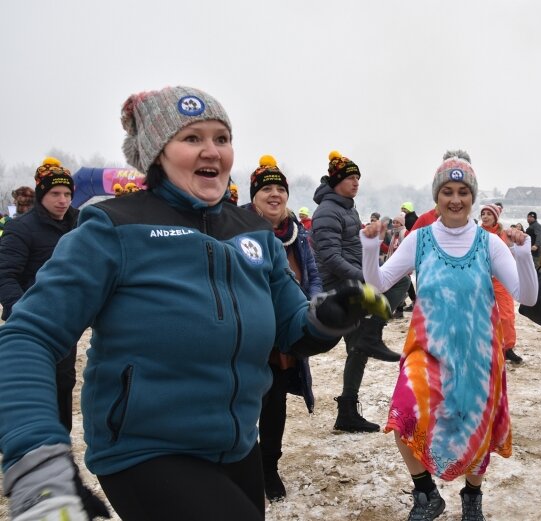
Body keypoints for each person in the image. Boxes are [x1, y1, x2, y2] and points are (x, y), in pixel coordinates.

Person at [0, 86, 388, 521]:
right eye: (192, 138)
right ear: (156, 153)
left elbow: (291, 327)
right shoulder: (113, 227)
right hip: (146, 450)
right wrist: (36, 461)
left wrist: (327, 316)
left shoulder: (253, 232)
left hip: (237, 446)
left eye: (222, 138)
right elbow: (27, 337)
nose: (213, 151)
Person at [361, 150, 538, 520]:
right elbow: (377, 284)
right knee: (403, 416)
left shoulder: (489, 243)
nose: (455, 199)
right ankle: (425, 493)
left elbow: (528, 296)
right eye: (447, 191)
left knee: (476, 431)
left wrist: (524, 255)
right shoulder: (420, 239)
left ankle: (472, 496)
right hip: (426, 353)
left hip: (479, 356)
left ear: (473, 197)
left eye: (463, 191)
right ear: (436, 197)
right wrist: (368, 248)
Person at [311, 151, 411, 433]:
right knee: (399, 283)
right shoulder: (328, 211)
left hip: (352, 281)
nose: (356, 182)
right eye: (350, 177)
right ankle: (372, 330)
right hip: (338, 288)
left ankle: (347, 411)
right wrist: (366, 278)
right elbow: (330, 258)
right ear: (337, 181)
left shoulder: (347, 208)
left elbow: (352, 248)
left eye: (358, 177)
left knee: (358, 350)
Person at [243, 154, 322, 501]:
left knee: (274, 403)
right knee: (244, 401)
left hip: (286, 334)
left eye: (280, 189)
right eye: (266, 189)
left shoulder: (296, 233)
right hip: (247, 333)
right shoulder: (238, 229)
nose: (274, 194)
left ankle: (268, 467)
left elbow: (313, 274)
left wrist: (313, 306)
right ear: (254, 194)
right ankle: (243, 466)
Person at [0, 157, 80, 434]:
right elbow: (6, 274)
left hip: (67, 320)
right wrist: (20, 310)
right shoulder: (21, 228)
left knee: (63, 381)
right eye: (55, 193)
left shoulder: (80, 224)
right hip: (31, 320)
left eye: (68, 194)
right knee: (32, 383)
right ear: (41, 194)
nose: (63, 200)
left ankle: (60, 441)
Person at [479, 203, 523, 365]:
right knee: (481, 315)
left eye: (488, 214)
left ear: (495, 217)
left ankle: (507, 347)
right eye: (483, 213)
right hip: (480, 279)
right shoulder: (475, 234)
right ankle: (484, 348)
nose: (485, 216)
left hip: (500, 280)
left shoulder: (504, 235)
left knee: (506, 314)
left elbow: (514, 254)